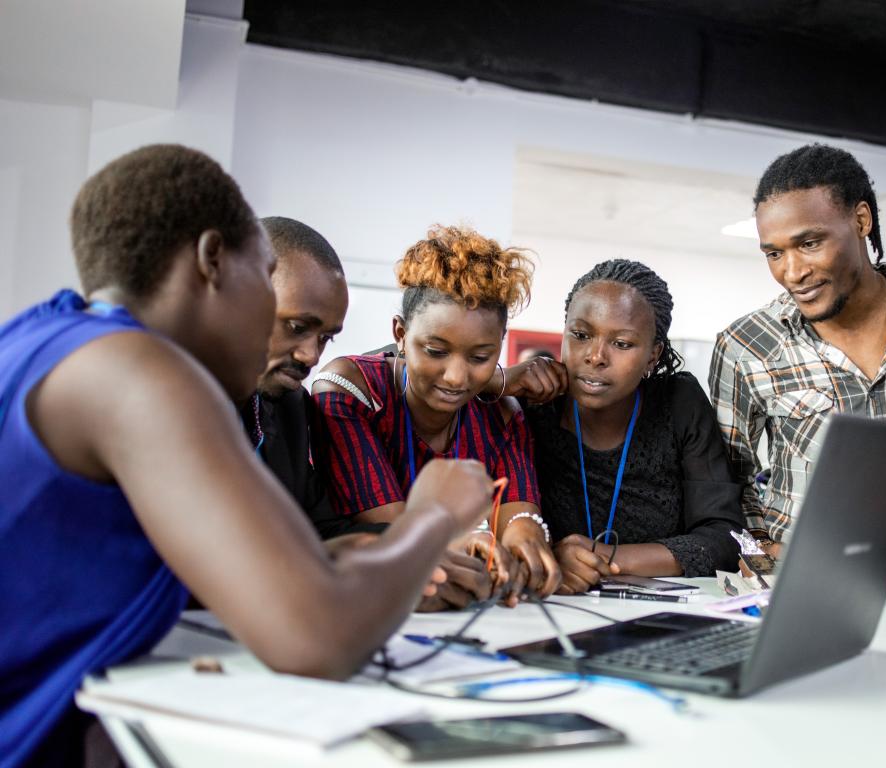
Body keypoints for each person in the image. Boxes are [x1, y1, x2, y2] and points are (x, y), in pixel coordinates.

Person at [0, 145, 494, 767]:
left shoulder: (39, 336)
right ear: (212, 260)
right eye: (265, 276)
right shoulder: (140, 372)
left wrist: (318, 559)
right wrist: (432, 516)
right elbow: (319, 638)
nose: (309, 353)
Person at [709, 144, 886, 592]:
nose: (792, 272)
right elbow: (725, 480)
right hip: (804, 588)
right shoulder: (747, 345)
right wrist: (756, 546)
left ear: (861, 220)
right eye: (774, 254)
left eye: (809, 243)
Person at [249, 216, 508, 611]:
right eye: (297, 327)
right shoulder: (177, 394)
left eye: (324, 338)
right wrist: (397, 568)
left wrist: (420, 562)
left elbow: (322, 532)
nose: (311, 356)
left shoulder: (285, 405)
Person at [313, 225, 562, 598]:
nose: (457, 377)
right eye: (435, 351)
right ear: (400, 333)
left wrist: (526, 536)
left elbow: (521, 514)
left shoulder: (503, 416)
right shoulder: (353, 393)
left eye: (480, 357)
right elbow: (398, 538)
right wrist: (478, 540)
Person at [525, 259, 743, 594]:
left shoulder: (678, 403)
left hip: (660, 613)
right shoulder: (534, 408)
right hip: (549, 605)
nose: (595, 356)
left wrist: (605, 558)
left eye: (622, 343)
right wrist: (502, 383)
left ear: (653, 356)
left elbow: (724, 538)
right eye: (581, 335)